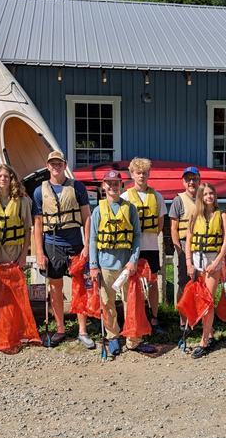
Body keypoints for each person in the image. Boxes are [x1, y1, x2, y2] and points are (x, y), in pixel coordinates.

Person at [31, 150, 94, 349]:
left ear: (65, 165)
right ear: (47, 166)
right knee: (55, 287)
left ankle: (82, 330)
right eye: (52, 163)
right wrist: (40, 253)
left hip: (75, 243)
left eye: (59, 163)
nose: (56, 166)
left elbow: (87, 217)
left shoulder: (77, 187)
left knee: (80, 286)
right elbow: (38, 224)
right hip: (52, 244)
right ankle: (60, 329)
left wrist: (87, 245)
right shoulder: (39, 191)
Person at [88, 170, 147, 355]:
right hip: (105, 265)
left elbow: (136, 236)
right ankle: (112, 336)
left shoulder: (130, 209)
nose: (113, 187)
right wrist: (93, 265)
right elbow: (93, 239)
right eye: (109, 183)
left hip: (126, 266)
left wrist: (133, 261)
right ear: (103, 186)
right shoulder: (98, 210)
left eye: (116, 184)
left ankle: (132, 339)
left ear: (121, 186)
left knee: (131, 303)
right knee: (107, 303)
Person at [0, 164, 33, 353]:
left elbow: (27, 229)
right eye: (0, 176)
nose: (3, 179)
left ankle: (13, 331)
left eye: (6, 176)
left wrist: (24, 255)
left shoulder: (22, 201)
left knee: (14, 294)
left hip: (13, 254)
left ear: (12, 179)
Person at [186, 182, 226, 359]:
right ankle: (209, 332)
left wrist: (217, 263)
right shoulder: (194, 215)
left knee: (207, 301)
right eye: (205, 194)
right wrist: (189, 263)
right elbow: (189, 240)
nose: (208, 197)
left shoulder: (222, 216)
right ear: (200, 197)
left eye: (211, 193)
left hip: (213, 261)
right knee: (199, 300)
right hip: (197, 261)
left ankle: (204, 341)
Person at [121, 157, 166, 334]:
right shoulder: (125, 197)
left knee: (153, 282)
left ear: (149, 174)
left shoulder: (157, 196)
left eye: (145, 173)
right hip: (132, 247)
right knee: (132, 283)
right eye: (138, 173)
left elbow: (160, 223)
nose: (141, 176)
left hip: (151, 246)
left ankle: (154, 318)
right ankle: (134, 319)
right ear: (132, 174)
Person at [169, 166, 200, 322]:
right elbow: (173, 228)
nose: (191, 182)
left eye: (194, 179)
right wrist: (179, 250)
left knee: (200, 282)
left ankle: (198, 316)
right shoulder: (178, 200)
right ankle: (183, 318)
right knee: (183, 282)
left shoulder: (204, 198)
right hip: (183, 244)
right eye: (188, 179)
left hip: (201, 245)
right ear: (183, 182)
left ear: (199, 181)